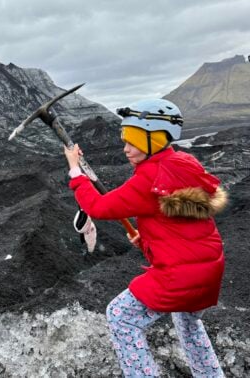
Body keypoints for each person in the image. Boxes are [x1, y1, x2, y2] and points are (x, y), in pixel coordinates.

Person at [64, 98, 227, 378]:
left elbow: (99, 207)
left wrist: (76, 172)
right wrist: (149, 239)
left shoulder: (149, 179)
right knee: (189, 324)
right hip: (208, 270)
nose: (126, 148)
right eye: (125, 138)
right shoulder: (184, 162)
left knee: (120, 316)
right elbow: (179, 225)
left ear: (157, 139)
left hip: (181, 275)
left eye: (135, 139)